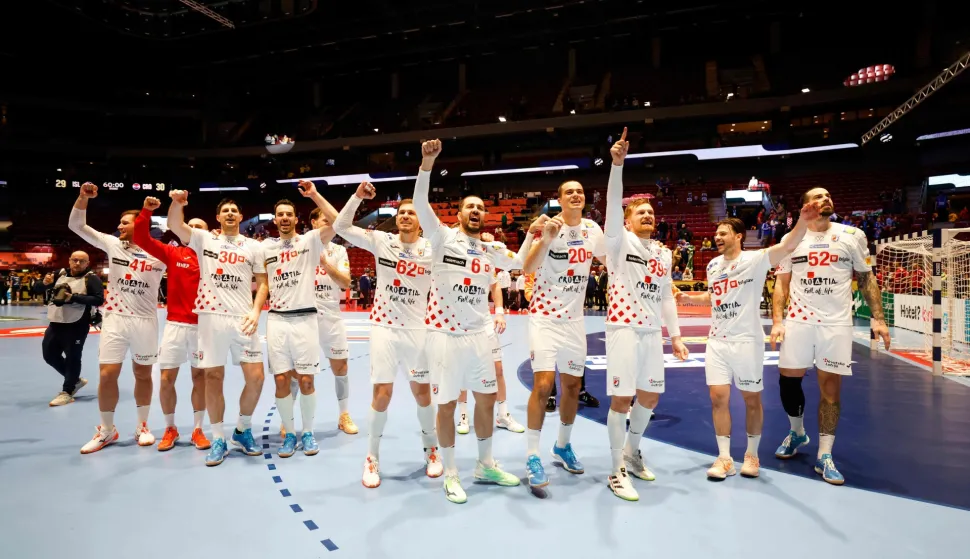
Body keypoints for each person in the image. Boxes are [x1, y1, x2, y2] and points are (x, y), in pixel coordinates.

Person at [414, 139, 529, 503]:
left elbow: (517, 264)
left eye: (480, 207)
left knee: (487, 398)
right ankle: (450, 471)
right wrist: (426, 163)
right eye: (469, 207)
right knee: (447, 404)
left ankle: (485, 464)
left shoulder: (491, 249)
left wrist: (538, 234)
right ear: (459, 214)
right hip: (445, 335)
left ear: (485, 215)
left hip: (479, 334)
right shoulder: (442, 236)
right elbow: (419, 204)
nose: (476, 211)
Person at [675, 208, 817, 480]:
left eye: (723, 233)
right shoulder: (713, 265)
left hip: (747, 341)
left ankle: (752, 455)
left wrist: (802, 220)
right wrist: (687, 298)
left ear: (738, 236)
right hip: (717, 340)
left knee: (751, 399)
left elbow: (788, 245)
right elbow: (713, 297)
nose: (717, 236)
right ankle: (725, 457)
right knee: (718, 398)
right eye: (716, 233)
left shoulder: (756, 259)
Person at [770, 187, 890, 485]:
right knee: (788, 378)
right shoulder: (791, 241)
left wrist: (879, 318)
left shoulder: (852, 236)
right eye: (818, 196)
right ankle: (797, 432)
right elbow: (781, 285)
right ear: (806, 205)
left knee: (830, 389)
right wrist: (777, 321)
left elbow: (865, 277)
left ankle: (825, 455)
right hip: (798, 321)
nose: (826, 199)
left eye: (828, 195)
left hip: (836, 324)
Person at [329, 182, 442, 487]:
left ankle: (432, 450)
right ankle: (372, 457)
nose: (406, 216)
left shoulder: (433, 248)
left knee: (422, 393)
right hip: (384, 328)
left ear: (421, 219)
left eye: (412, 212)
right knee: (382, 394)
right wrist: (357, 198)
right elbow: (341, 226)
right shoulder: (382, 241)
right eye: (402, 212)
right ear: (397, 219)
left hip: (418, 330)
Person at [603, 129, 689, 501]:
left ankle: (631, 452)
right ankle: (614, 470)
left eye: (652, 213)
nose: (649, 216)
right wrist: (617, 166)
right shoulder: (619, 241)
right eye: (641, 212)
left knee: (650, 398)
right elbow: (610, 206)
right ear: (627, 219)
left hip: (652, 332)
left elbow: (667, 295)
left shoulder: (663, 253)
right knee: (621, 401)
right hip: (623, 329)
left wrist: (677, 335)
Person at [167, 191, 269, 467]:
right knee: (213, 376)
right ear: (218, 217)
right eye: (226, 211)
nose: (230, 214)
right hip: (211, 317)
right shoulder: (204, 239)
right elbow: (175, 225)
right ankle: (219, 438)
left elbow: (263, 283)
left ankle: (242, 428)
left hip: (243, 318)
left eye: (235, 210)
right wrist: (178, 203)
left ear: (241, 216)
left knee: (257, 377)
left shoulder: (254, 247)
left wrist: (256, 310)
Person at [518, 179, 606, 488]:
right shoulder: (549, 228)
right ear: (559, 199)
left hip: (574, 321)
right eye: (569, 191)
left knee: (571, 386)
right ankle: (532, 455)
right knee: (543, 386)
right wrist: (545, 239)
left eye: (580, 191)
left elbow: (612, 261)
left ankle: (562, 445)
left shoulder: (593, 230)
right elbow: (527, 268)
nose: (575, 195)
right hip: (544, 318)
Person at [70, 183, 166, 454]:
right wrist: (82, 198)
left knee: (143, 374)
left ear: (140, 224)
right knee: (107, 374)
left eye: (124, 222)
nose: (119, 226)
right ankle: (107, 430)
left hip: (145, 320)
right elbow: (78, 226)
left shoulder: (158, 252)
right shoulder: (113, 243)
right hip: (115, 318)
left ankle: (142, 426)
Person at [261, 184, 340, 458]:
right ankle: (289, 433)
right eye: (279, 214)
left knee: (306, 381)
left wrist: (314, 195)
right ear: (275, 220)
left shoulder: (309, 241)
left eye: (289, 214)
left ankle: (307, 433)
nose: (284, 218)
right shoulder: (265, 248)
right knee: (281, 380)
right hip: (277, 321)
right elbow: (261, 284)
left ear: (296, 219)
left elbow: (339, 221)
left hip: (305, 318)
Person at [133, 197, 212, 452]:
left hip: (204, 327)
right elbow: (141, 239)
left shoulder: (215, 257)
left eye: (201, 227)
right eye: (193, 226)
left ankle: (198, 429)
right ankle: (170, 427)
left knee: (200, 377)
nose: (196, 230)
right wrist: (146, 211)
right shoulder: (173, 252)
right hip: (176, 325)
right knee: (167, 378)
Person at [456, 274, 525, 435]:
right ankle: (463, 415)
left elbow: (495, 286)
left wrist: (499, 313)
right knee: (462, 370)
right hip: (460, 323)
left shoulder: (484, 260)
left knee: (497, 370)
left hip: (485, 324)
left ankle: (502, 415)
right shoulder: (453, 259)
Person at [42, 251, 103, 407]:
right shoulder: (59, 274)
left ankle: (67, 391)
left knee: (73, 357)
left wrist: (73, 297)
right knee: (49, 354)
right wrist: (43, 283)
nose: (77, 263)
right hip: (56, 322)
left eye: (81, 261)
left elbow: (98, 299)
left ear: (87, 263)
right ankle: (74, 380)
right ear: (69, 261)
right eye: (74, 260)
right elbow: (37, 288)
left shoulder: (91, 278)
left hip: (77, 323)